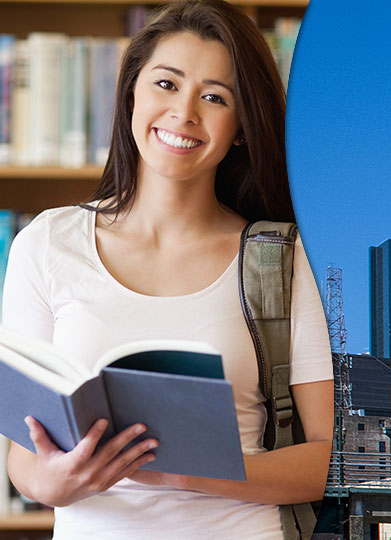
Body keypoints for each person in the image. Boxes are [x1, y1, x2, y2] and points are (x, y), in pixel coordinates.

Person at [1, 0, 331, 538]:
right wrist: (57, 484)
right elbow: (24, 460)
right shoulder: (46, 243)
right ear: (131, 91)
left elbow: (328, 461)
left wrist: (197, 473)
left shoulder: (283, 259)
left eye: (214, 97)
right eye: (166, 84)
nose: (185, 113)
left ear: (241, 127)